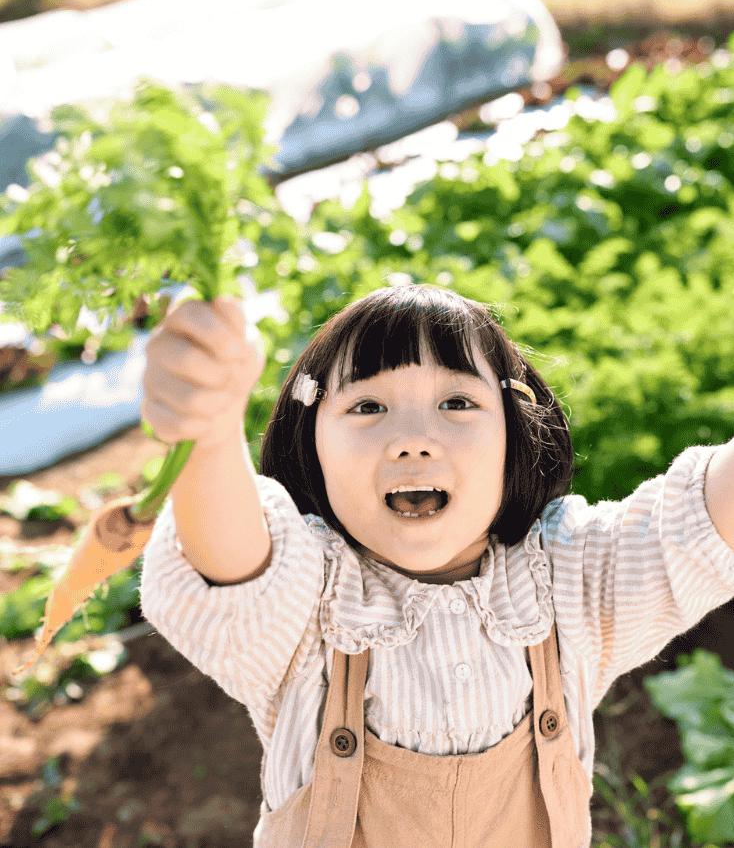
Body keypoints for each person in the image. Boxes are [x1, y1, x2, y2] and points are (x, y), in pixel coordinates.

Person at [139, 283, 734, 848]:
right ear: (311, 444)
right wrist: (209, 437)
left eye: (457, 402)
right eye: (367, 406)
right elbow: (235, 569)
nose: (413, 439)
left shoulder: (566, 579)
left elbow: (696, 524)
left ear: (515, 433)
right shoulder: (313, 597)